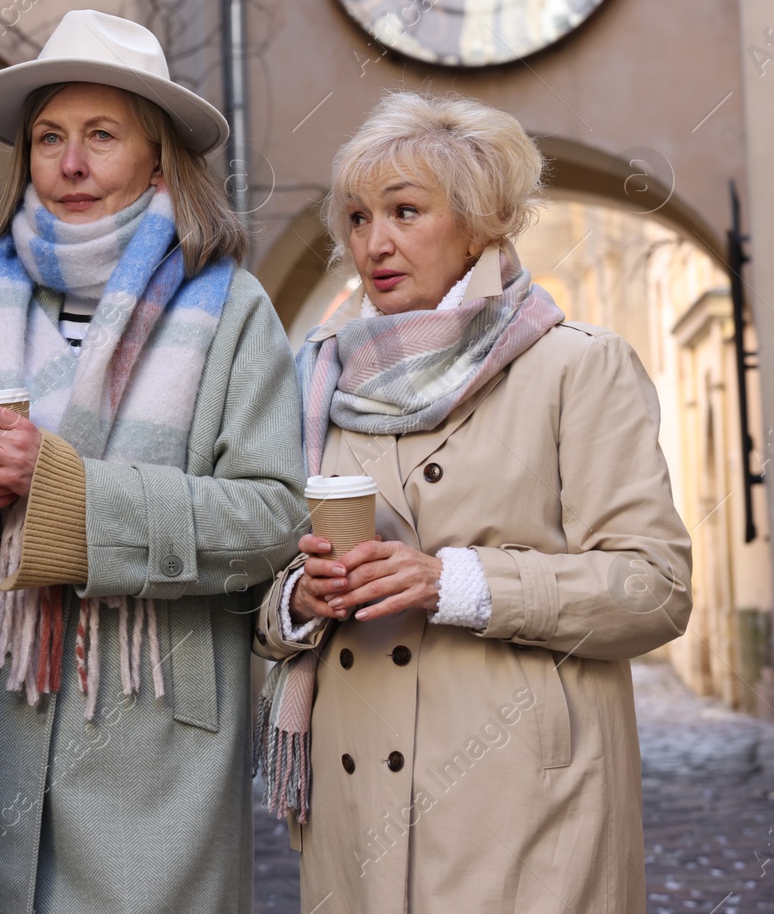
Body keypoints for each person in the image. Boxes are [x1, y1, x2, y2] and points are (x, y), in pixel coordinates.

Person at [0, 10, 305, 912]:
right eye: (49, 138)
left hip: (154, 763)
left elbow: (272, 520)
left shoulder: (233, 312)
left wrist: (63, 489)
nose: (69, 164)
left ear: (157, 160)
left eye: (100, 137)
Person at [254, 91, 693, 913]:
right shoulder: (314, 381)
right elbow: (263, 587)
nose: (373, 242)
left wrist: (451, 581)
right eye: (356, 217)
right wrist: (297, 600)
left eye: (405, 211)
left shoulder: (577, 367)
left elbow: (655, 589)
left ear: (482, 222)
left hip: (526, 801)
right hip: (354, 813)